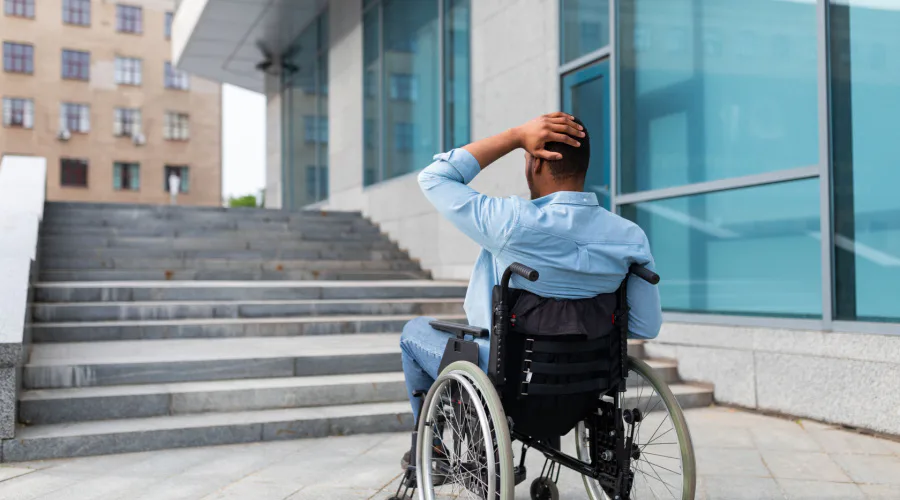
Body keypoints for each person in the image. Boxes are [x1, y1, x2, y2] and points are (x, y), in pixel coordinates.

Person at [400, 112, 663, 435]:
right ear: (584, 166)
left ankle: (433, 446)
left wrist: (514, 136)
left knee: (413, 331)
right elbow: (645, 326)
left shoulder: (511, 222)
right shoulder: (630, 237)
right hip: (588, 383)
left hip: (509, 380)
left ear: (536, 163)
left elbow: (434, 177)